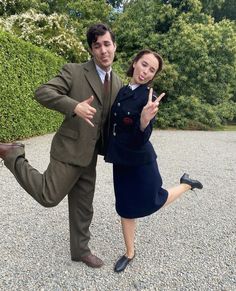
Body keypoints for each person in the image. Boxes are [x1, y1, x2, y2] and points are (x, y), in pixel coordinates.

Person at [0, 23, 122, 268]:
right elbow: (42, 92)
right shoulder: (75, 71)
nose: (103, 50)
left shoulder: (118, 82)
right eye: (97, 46)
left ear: (114, 46)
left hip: (90, 156)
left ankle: (80, 251)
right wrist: (73, 106)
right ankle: (12, 154)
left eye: (107, 44)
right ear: (91, 50)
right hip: (69, 150)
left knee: (84, 207)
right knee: (48, 195)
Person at [104, 49, 203, 272]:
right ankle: (130, 253)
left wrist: (144, 121)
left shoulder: (149, 97)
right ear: (135, 62)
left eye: (152, 70)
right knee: (125, 207)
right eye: (144, 64)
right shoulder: (122, 90)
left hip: (141, 162)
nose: (146, 71)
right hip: (121, 161)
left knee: (155, 199)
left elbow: (141, 138)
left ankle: (186, 184)